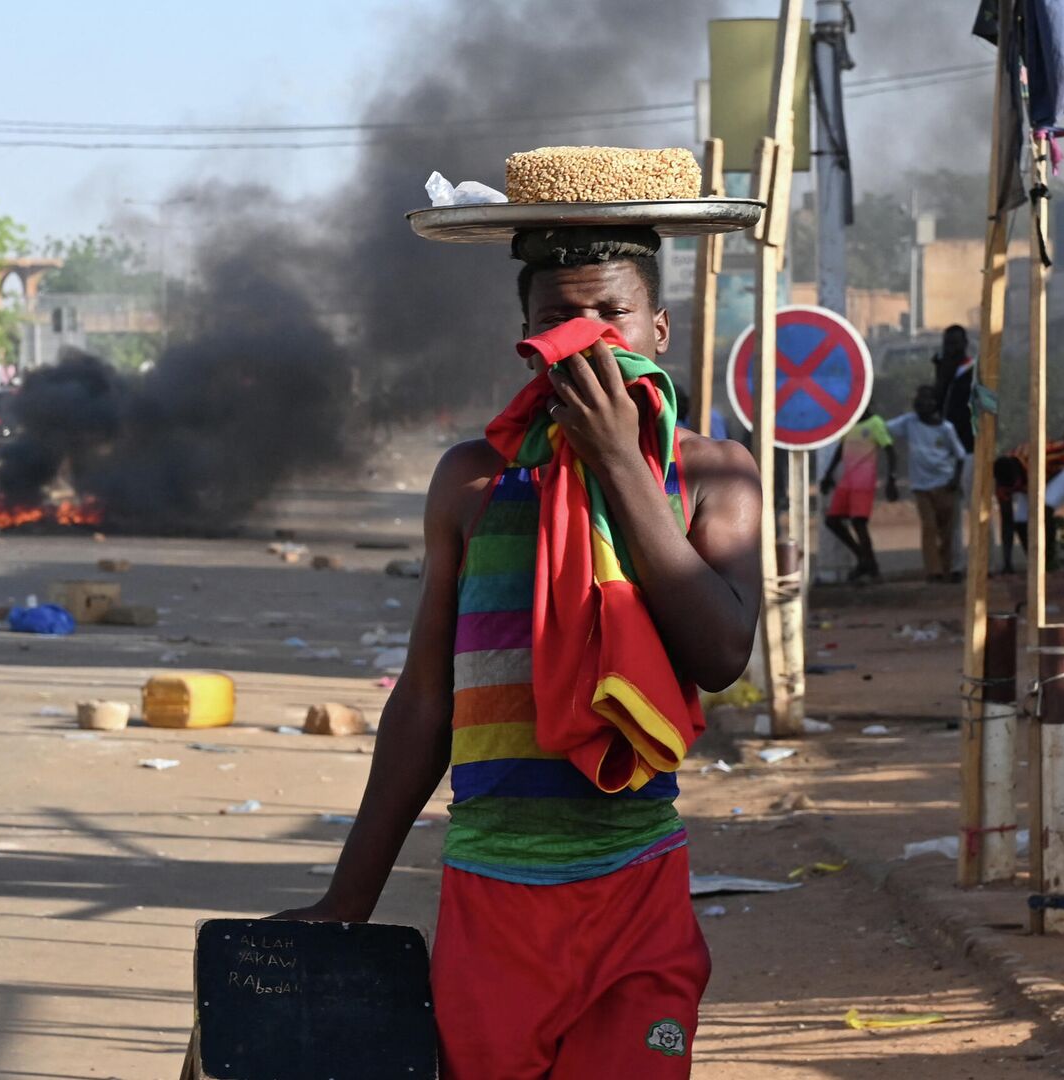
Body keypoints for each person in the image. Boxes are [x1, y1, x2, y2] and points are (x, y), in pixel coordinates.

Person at [270, 189, 761, 1077]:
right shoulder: (473, 481)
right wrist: (349, 898)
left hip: (636, 888)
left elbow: (723, 655)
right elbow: (426, 701)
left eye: (612, 314)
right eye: (559, 321)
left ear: (659, 328)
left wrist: (619, 462)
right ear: (528, 345)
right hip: (493, 895)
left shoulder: (714, 475)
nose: (590, 341)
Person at [889, 385, 968, 582]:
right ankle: (934, 571)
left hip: (945, 483)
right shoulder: (909, 422)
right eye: (919, 399)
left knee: (948, 531)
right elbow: (883, 427)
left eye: (926, 399)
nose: (921, 403)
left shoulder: (946, 428)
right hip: (921, 487)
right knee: (929, 528)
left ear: (934, 404)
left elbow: (960, 456)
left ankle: (950, 568)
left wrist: (955, 481)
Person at [819, 406, 899, 581]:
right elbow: (841, 449)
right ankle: (864, 559)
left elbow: (890, 449)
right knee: (832, 520)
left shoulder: (875, 423)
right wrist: (828, 474)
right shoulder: (848, 423)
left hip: (864, 481)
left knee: (859, 522)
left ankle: (872, 567)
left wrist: (891, 478)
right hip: (846, 481)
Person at [992, 437, 1064, 575]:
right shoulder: (1003, 485)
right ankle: (1036, 560)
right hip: (1034, 483)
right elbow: (1007, 522)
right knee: (1021, 521)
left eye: (1013, 485)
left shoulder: (1039, 455)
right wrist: (1007, 563)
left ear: (1018, 473)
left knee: (1044, 508)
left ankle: (1049, 561)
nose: (1011, 490)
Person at [933, 325, 976, 573]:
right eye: (947, 343)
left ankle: (983, 562)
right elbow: (936, 405)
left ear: (965, 343)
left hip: (970, 447)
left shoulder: (974, 370)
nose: (951, 348)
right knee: (951, 513)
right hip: (947, 452)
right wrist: (942, 375)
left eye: (955, 343)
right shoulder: (944, 371)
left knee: (975, 506)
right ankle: (956, 564)